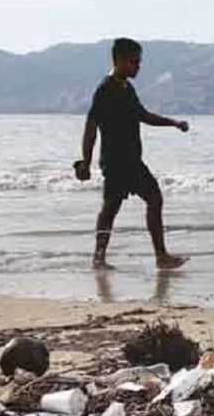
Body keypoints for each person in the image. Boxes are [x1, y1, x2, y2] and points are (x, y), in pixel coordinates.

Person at [75, 37, 189, 270]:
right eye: (134, 62)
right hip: (116, 161)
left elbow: (143, 116)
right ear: (119, 60)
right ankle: (102, 258)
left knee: (148, 200)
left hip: (131, 159)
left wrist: (173, 122)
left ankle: (157, 257)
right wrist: (85, 161)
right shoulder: (105, 89)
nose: (138, 66)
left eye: (139, 62)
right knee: (113, 207)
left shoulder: (126, 88)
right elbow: (91, 126)